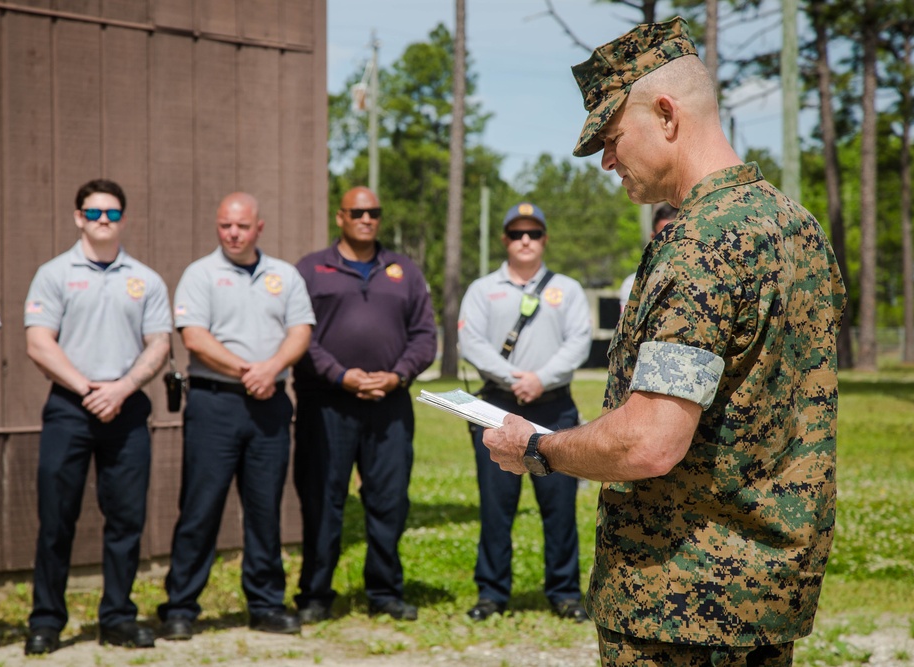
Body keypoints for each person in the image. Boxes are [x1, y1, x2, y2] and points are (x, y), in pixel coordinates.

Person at [481, 17, 846, 665]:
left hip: (679, 608)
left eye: (613, 138)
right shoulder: (797, 226)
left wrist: (537, 447)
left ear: (667, 115)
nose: (607, 161)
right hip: (764, 601)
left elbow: (650, 441)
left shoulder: (700, 243)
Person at [23, 179, 172, 655]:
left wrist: (123, 388)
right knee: (56, 519)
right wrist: (86, 388)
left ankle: (118, 618)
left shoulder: (146, 280)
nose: (102, 221)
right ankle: (46, 620)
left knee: (127, 519)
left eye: (111, 214)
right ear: (77, 217)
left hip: (126, 409)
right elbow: (38, 342)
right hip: (71, 406)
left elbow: (160, 345)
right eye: (93, 213)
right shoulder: (53, 274)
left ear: (123, 219)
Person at [157, 193, 315, 640]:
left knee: (265, 510)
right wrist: (248, 370)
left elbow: (300, 331)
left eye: (242, 226)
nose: (232, 233)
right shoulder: (200, 274)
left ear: (258, 228)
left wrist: (270, 370)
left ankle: (265, 603)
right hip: (215, 404)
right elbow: (194, 336)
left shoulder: (283, 276)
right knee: (200, 508)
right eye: (225, 225)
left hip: (270, 404)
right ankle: (181, 607)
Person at [293, 186, 437, 623]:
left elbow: (425, 336)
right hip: (327, 405)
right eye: (357, 211)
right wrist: (341, 375)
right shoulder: (311, 269)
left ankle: (385, 591)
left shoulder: (403, 269)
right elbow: (300, 336)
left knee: (388, 500)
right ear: (340, 216)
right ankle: (315, 594)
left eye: (373, 212)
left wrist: (396, 375)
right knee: (323, 500)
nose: (366, 218)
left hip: (388, 404)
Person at [458, 202, 592, 623]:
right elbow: (472, 343)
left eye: (533, 234)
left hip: (554, 407)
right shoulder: (483, 289)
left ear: (544, 239)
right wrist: (514, 376)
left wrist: (540, 379)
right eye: (517, 234)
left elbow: (579, 342)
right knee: (497, 505)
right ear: (505, 240)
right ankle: (493, 593)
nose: (525, 241)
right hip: (498, 406)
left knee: (559, 506)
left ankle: (565, 592)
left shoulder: (567, 289)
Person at [618, 203, 678, 311]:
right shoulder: (633, 285)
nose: (671, 243)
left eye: (676, 236)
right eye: (665, 237)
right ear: (653, 238)